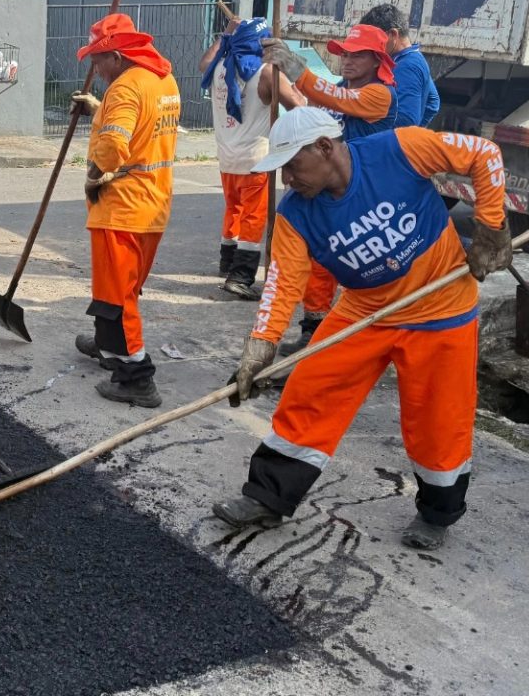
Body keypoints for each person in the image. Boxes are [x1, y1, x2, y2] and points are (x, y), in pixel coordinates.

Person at [212, 108, 513, 550]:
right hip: (363, 310)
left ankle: (436, 515)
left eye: (293, 166)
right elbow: (282, 282)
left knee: (438, 419)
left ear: (324, 147)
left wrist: (491, 226)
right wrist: (261, 348)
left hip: (440, 308)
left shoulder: (400, 148)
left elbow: (484, 153)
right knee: (309, 392)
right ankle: (266, 498)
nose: (289, 180)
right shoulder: (296, 213)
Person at [262, 24, 399, 354]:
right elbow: (317, 108)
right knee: (318, 263)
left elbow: (336, 99)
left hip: (364, 193)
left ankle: (376, 334)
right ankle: (314, 328)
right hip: (328, 188)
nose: (348, 61)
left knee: (365, 266)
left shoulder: (381, 94)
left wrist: (295, 69)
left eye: (358, 55)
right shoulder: (336, 87)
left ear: (377, 60)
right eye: (345, 54)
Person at [69, 13, 181, 408]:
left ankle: (135, 376)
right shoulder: (163, 79)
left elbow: (116, 146)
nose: (95, 69)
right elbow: (142, 129)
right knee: (124, 285)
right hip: (153, 204)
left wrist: (95, 175)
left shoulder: (125, 88)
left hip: (123, 205)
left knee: (118, 296)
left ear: (117, 56)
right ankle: (108, 347)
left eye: (98, 61)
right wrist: (97, 109)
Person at [198, 14, 305, 299]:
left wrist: (225, 35)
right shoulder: (266, 73)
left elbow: (203, 62)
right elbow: (298, 104)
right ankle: (241, 277)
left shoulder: (220, 67)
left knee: (233, 209)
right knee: (253, 218)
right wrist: (288, 68)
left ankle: (227, 260)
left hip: (227, 158)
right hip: (256, 159)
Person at [360, 3, 439, 128]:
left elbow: (405, 121)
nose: (369, 46)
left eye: (373, 39)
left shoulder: (405, 66)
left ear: (393, 34)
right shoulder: (415, 58)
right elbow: (432, 103)